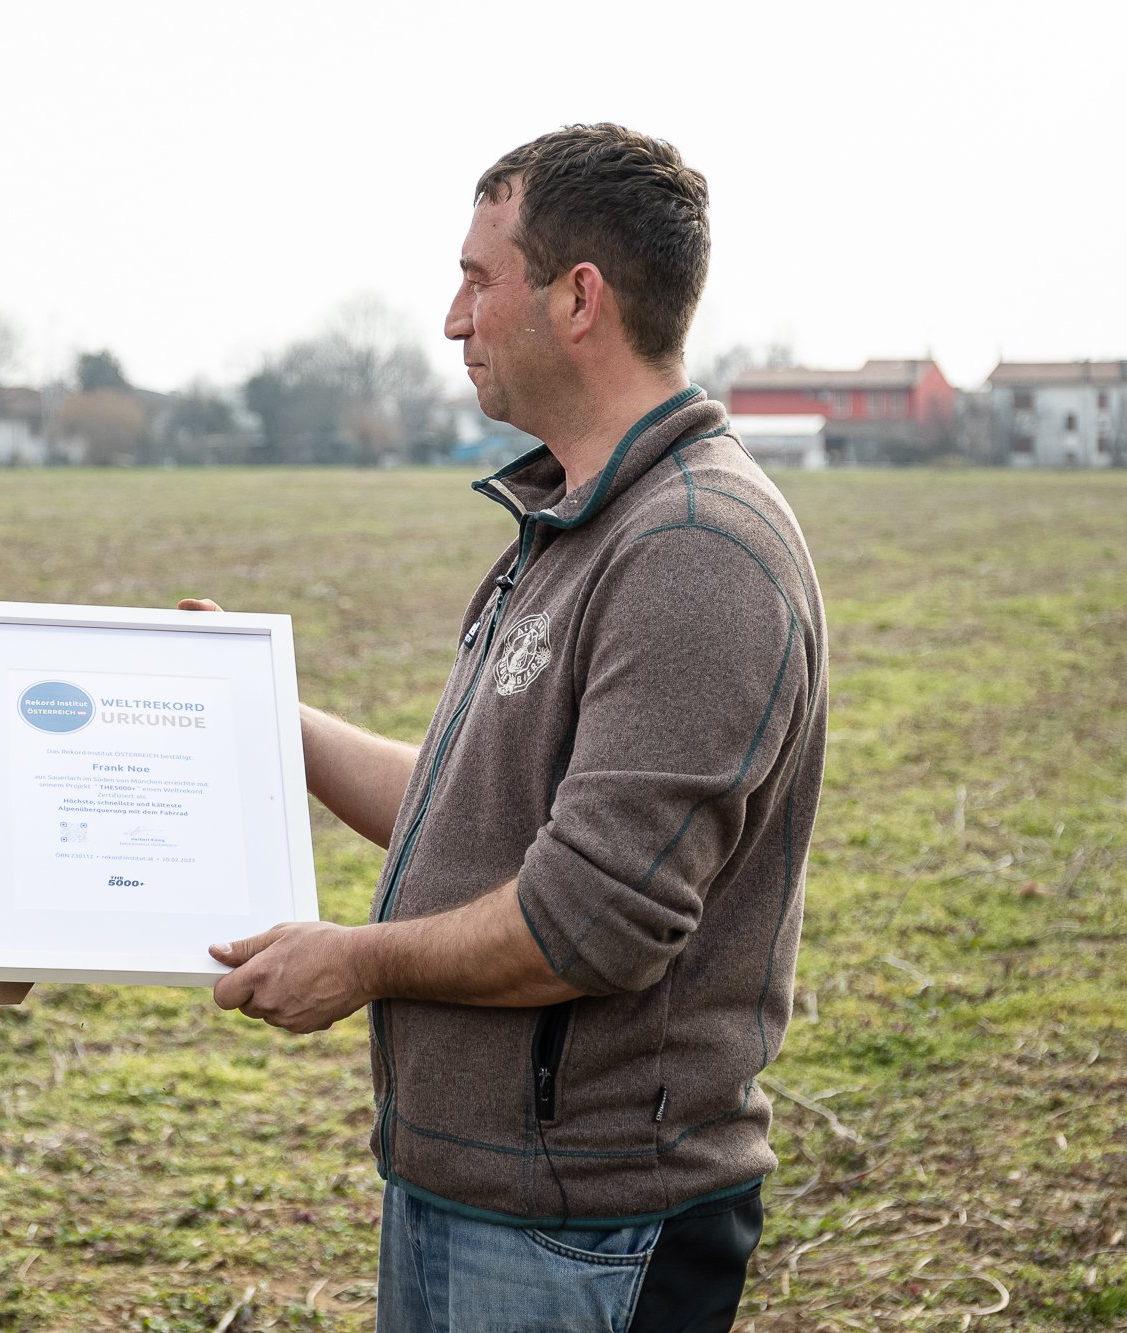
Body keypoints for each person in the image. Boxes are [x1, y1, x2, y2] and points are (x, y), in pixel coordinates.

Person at [188, 124, 827, 1332]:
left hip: (588, 1226)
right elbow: (468, 814)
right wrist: (256, 709)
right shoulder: (577, 523)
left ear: (577, 297)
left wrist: (355, 960)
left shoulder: (692, 548)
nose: (450, 318)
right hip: (478, 1192)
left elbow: (588, 920)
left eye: (478, 279)